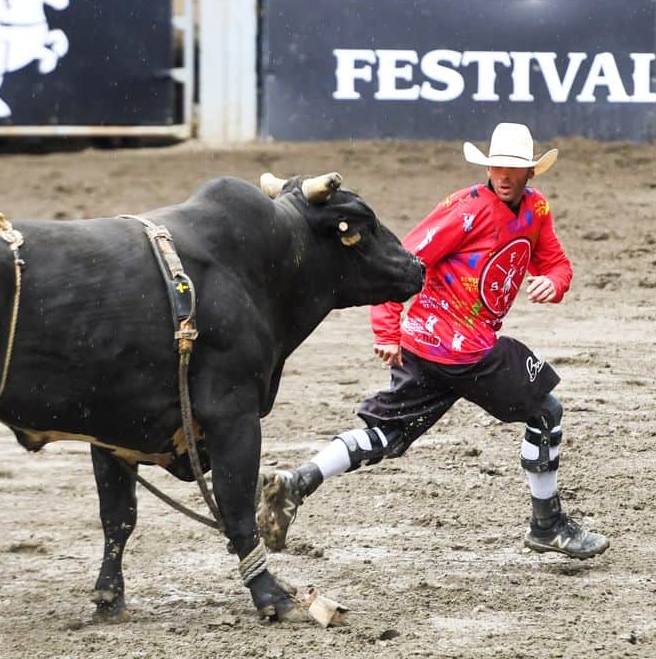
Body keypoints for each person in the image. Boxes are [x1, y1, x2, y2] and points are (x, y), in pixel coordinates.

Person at [257, 122, 610, 561]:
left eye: (513, 169)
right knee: (546, 411)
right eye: (498, 166)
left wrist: (553, 284)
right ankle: (547, 524)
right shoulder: (467, 210)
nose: (503, 175)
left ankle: (299, 481)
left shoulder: (535, 212)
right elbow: (403, 259)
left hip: (427, 348)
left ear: (530, 174)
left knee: (387, 433)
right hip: (465, 351)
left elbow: (555, 263)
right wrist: (386, 328)